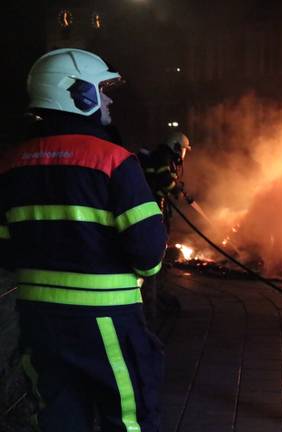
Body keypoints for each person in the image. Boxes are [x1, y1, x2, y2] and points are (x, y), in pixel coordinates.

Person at [0, 48, 167, 431]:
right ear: (77, 94)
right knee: (128, 419)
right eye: (101, 89)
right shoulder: (113, 160)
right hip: (106, 319)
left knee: (57, 417)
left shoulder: (9, 164)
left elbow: (6, 249)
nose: (107, 99)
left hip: (36, 320)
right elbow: (148, 254)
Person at [139, 131, 192, 233]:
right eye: (183, 149)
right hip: (152, 203)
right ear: (176, 147)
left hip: (156, 201)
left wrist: (177, 187)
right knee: (157, 232)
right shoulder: (163, 155)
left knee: (161, 230)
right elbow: (164, 179)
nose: (183, 154)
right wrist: (176, 190)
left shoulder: (166, 157)